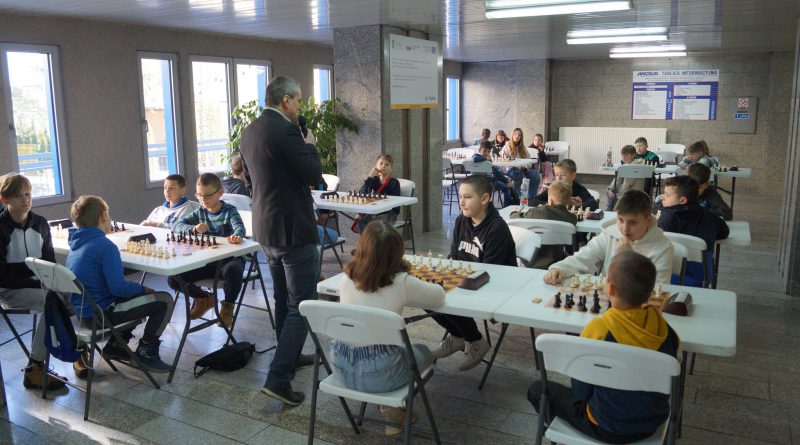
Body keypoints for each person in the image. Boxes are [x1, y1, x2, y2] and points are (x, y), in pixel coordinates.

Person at [529, 251, 680, 443]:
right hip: (652, 423)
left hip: (604, 425)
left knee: (536, 390)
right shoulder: (665, 329)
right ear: (650, 293)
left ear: (610, 289)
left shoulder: (599, 329)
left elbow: (581, 391)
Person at [239, 75, 321, 406]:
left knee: (282, 298)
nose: (300, 107)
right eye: (298, 100)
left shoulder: (250, 130)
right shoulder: (287, 131)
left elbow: (248, 180)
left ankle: (291, 356)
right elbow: (313, 175)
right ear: (286, 100)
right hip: (293, 230)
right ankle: (278, 378)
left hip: (265, 228)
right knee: (302, 303)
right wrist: (310, 144)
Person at [334, 220, 445, 436]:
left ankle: (391, 411)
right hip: (382, 374)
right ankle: (391, 409)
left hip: (342, 367)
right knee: (423, 352)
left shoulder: (346, 277)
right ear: (397, 253)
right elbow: (438, 296)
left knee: (389, 353)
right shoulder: (401, 282)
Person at [67, 195, 174, 373]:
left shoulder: (76, 245)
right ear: (103, 216)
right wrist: (143, 289)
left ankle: (116, 345)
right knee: (163, 300)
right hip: (102, 318)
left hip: (83, 315)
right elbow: (118, 288)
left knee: (133, 294)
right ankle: (147, 351)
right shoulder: (105, 246)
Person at [430, 175, 516, 371]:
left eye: (467, 197)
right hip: (467, 280)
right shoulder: (462, 220)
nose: (461, 202)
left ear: (484, 199)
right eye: (460, 196)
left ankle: (476, 340)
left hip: (495, 286)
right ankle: (458, 335)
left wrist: (454, 283)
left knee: (447, 297)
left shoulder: (497, 228)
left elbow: (490, 272)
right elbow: (454, 255)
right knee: (426, 294)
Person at [0, 173, 68, 390]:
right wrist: (37, 283)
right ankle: (35, 368)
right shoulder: (1, 227)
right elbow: (2, 275)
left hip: (39, 286)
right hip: (9, 289)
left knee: (76, 296)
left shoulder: (40, 223)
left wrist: (57, 283)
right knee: (53, 302)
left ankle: (78, 354)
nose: (25, 200)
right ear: (4, 199)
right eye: (18, 196)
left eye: (28, 194)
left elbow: (49, 263)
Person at [544, 190, 673, 285]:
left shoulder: (663, 248)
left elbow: (656, 290)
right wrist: (560, 268)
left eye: (633, 223)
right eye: (620, 220)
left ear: (648, 221)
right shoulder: (611, 233)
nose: (624, 229)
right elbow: (585, 256)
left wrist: (627, 259)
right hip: (608, 298)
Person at [167, 173, 245, 327]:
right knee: (173, 278)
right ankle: (204, 298)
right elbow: (176, 226)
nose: (203, 199)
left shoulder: (230, 211)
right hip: (207, 261)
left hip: (228, 260)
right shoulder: (200, 212)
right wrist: (193, 228)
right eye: (199, 195)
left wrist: (237, 236)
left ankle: (228, 307)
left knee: (234, 270)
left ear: (220, 193)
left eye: (208, 195)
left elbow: (239, 227)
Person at [657, 175, 729, 286]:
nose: (663, 198)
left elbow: (659, 246)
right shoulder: (710, 215)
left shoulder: (667, 218)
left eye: (667, 195)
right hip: (703, 277)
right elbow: (724, 233)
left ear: (683, 200)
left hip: (671, 275)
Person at [510, 180, 577, 269]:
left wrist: (515, 212)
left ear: (550, 201)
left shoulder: (539, 211)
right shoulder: (572, 218)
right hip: (556, 261)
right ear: (569, 201)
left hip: (529, 261)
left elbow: (514, 217)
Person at [352, 153, 401, 233]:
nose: (383, 166)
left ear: (391, 169)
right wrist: (370, 176)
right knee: (362, 222)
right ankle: (367, 240)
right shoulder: (374, 180)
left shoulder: (394, 182)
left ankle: (376, 241)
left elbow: (395, 205)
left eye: (387, 164)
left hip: (389, 213)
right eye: (381, 163)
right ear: (376, 166)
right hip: (374, 212)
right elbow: (362, 193)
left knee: (376, 225)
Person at [530, 159, 598, 210]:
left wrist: (576, 205)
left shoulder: (579, 189)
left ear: (573, 175)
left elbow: (594, 204)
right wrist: (557, 203)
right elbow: (532, 201)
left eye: (563, 175)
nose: (559, 178)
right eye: (556, 175)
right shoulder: (553, 188)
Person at [501, 128, 541, 202]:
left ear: (521, 137)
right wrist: (520, 166)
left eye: (519, 135)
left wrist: (526, 167)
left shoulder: (522, 147)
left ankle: (531, 200)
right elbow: (506, 162)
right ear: (512, 135)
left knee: (535, 175)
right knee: (523, 178)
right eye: (515, 134)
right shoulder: (507, 146)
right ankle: (519, 200)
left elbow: (528, 159)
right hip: (510, 169)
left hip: (522, 169)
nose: (517, 136)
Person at [474, 141, 514, 207]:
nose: (486, 153)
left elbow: (496, 172)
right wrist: (487, 159)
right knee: (506, 188)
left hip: (486, 181)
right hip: (487, 182)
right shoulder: (477, 156)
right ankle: (507, 207)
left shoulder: (487, 160)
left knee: (501, 178)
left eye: (488, 151)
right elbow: (475, 159)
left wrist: (506, 181)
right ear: (479, 150)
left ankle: (507, 183)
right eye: (484, 151)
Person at [606, 145, 645, 211]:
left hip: (633, 192)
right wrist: (610, 189)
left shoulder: (634, 166)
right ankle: (611, 210)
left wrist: (619, 195)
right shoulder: (626, 165)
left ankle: (610, 211)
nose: (623, 157)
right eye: (622, 155)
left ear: (633, 155)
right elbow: (618, 179)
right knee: (609, 191)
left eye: (626, 155)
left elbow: (628, 184)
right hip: (627, 190)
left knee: (613, 195)